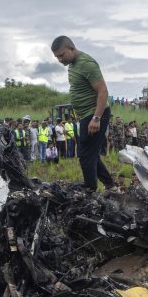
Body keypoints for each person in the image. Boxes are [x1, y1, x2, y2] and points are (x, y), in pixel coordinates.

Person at [52, 36, 116, 191]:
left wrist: (96, 118)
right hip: (86, 116)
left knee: (85, 154)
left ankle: (90, 189)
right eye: (57, 57)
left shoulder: (86, 64)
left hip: (94, 114)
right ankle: (110, 186)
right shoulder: (72, 64)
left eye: (62, 55)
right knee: (90, 154)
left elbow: (103, 92)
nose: (60, 60)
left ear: (72, 49)